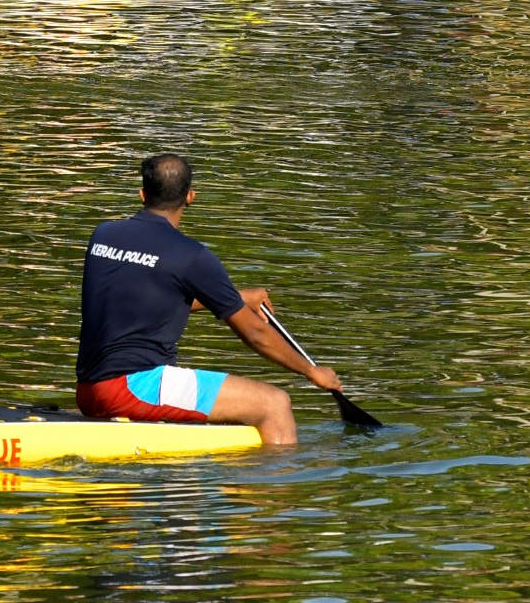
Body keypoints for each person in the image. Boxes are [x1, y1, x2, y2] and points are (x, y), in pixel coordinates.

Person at [75, 154, 339, 446]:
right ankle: (272, 487)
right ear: (190, 197)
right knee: (274, 404)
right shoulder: (192, 256)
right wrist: (310, 370)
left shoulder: (103, 235)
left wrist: (235, 297)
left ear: (142, 194)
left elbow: (148, 298)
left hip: (89, 389)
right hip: (136, 387)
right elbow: (254, 332)